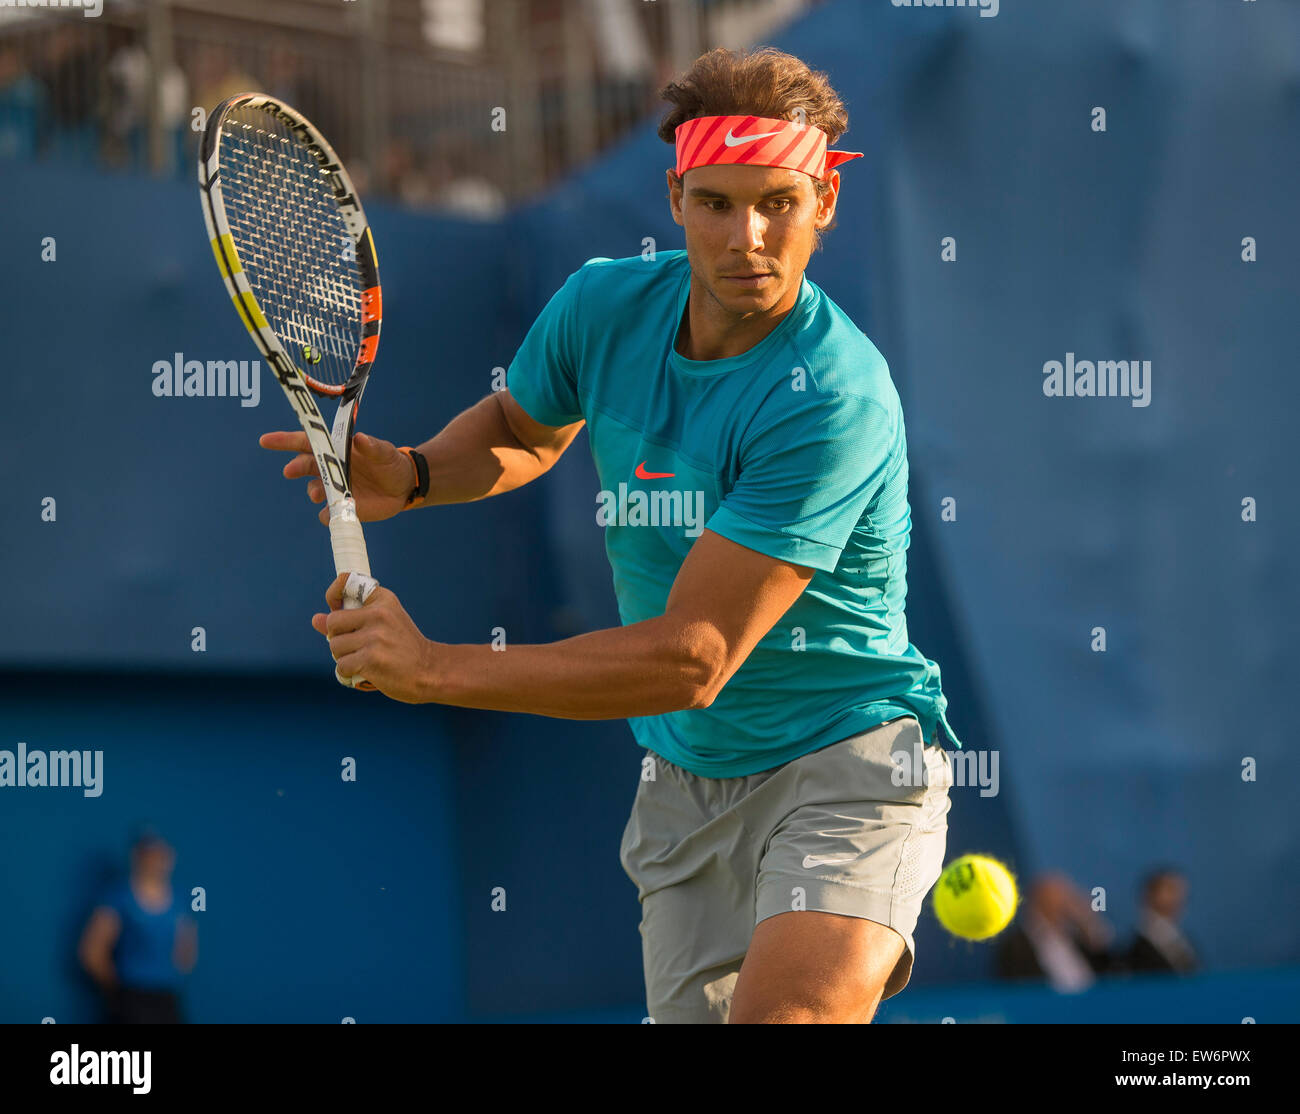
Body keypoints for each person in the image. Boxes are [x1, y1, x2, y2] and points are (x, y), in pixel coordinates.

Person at [261, 46, 959, 1023]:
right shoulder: (599, 306)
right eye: (715, 203)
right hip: (687, 783)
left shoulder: (832, 396)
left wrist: (436, 670)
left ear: (824, 203)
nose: (746, 236)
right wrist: (417, 474)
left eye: (777, 203)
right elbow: (519, 428)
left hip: (847, 761)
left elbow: (692, 658)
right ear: (674, 197)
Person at [77, 829, 197, 1023]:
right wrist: (119, 991)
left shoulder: (180, 899)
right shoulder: (118, 897)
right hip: (131, 998)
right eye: (149, 855)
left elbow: (187, 948)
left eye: (160, 854)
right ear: (137, 857)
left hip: (167, 998)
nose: (156, 860)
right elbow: (92, 951)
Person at [995, 873, 1117, 992]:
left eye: (1066, 897)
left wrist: (1089, 922)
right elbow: (1021, 987)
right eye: (1058, 897)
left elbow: (1108, 968)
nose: (1064, 902)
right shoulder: (1017, 944)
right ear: (1040, 900)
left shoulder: (1076, 938)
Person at [1126, 868, 1199, 974]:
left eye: (1180, 890)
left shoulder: (1185, 941)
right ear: (1150, 894)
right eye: (1171, 889)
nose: (1178, 897)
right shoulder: (1137, 949)